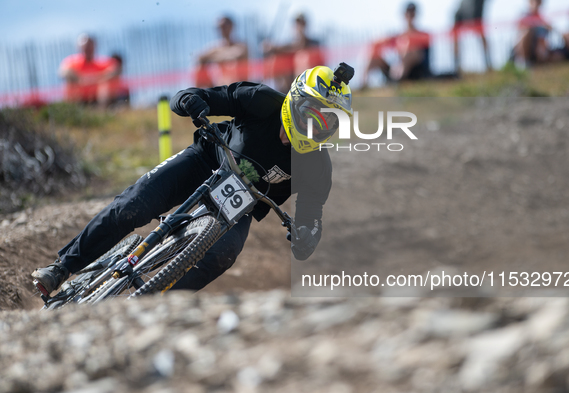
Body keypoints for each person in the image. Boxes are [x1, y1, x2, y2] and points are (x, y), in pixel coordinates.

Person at [31, 63, 354, 296]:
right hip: (205, 161)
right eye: (313, 114)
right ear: (296, 100)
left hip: (240, 206)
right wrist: (191, 102)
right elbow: (192, 96)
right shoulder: (260, 100)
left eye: (328, 122)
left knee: (223, 256)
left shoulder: (317, 167)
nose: (317, 127)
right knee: (132, 205)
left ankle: (154, 305)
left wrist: (307, 237)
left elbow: (312, 217)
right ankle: (62, 267)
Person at [361, 2, 431, 88]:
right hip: (396, 69)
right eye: (409, 12)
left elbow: (420, 54)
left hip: (416, 71)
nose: (410, 15)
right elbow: (378, 43)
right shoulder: (399, 36)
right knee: (374, 55)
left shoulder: (423, 35)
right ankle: (363, 84)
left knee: (410, 52)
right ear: (405, 15)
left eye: (412, 13)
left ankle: (398, 80)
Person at [263, 13, 325, 93]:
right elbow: (292, 46)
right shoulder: (290, 44)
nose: (299, 26)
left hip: (310, 85)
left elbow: (299, 46)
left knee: (302, 57)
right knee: (277, 59)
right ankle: (279, 92)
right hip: (291, 83)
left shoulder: (313, 43)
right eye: (297, 24)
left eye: (301, 23)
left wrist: (274, 47)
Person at [59, 34, 121, 104]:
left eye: (89, 46)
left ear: (94, 47)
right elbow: (63, 72)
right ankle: (73, 109)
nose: (88, 49)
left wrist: (97, 79)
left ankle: (104, 110)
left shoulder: (102, 63)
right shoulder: (72, 62)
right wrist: (80, 80)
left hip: (99, 97)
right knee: (70, 82)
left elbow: (115, 70)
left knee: (106, 85)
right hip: (79, 97)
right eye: (85, 47)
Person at [193, 16, 249, 88]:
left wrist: (214, 57)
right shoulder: (217, 47)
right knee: (200, 66)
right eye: (220, 27)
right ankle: (196, 94)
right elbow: (199, 57)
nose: (222, 30)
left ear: (231, 27)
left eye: (224, 26)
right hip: (221, 86)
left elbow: (235, 55)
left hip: (238, 87)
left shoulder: (241, 45)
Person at [511, 0, 561, 66]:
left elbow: (552, 30)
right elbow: (519, 31)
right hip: (524, 48)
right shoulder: (523, 17)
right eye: (533, 1)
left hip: (539, 48)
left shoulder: (542, 19)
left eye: (537, 1)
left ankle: (540, 61)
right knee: (527, 32)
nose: (535, 4)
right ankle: (523, 62)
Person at [453, 0, 492, 72]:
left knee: (480, 31)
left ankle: (488, 64)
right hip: (465, 6)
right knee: (455, 33)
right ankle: (456, 68)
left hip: (475, 5)